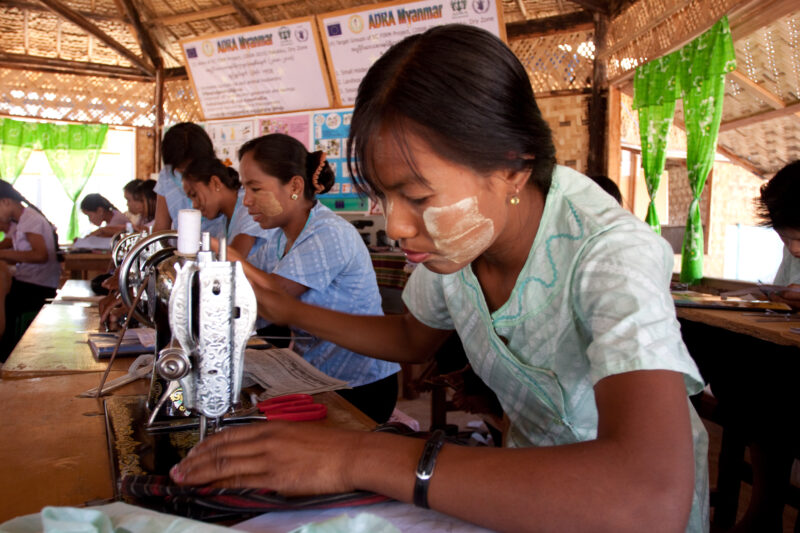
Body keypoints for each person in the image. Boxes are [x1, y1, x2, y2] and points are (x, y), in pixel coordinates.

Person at [171, 25, 707, 532]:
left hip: (606, 509)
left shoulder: (610, 255)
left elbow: (648, 498)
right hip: (522, 487)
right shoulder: (461, 246)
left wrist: (358, 455)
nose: (397, 226)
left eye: (419, 198)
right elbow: (410, 337)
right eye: (384, 198)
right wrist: (288, 311)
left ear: (512, 168)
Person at [223, 133, 400, 423]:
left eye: (255, 189)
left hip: (359, 385)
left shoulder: (327, 232)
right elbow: (251, 299)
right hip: (317, 375)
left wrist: (235, 260)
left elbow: (274, 300)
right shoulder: (274, 237)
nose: (247, 202)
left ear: (294, 186)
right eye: (244, 190)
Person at [0, 180, 62, 362]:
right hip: (29, 283)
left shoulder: (30, 220)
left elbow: (40, 255)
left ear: (5, 201)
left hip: (37, 287)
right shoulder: (21, 220)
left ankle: (7, 358)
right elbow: (8, 244)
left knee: (4, 301)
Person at [182, 157, 268, 259]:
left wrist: (211, 243)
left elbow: (234, 259)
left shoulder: (249, 207)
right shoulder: (222, 220)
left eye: (194, 195)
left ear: (215, 183)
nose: (194, 205)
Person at [152, 123, 224, 238]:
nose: (187, 174)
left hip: (217, 249)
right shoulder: (167, 176)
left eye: (192, 167)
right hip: (181, 249)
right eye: (181, 169)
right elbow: (161, 227)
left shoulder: (219, 177)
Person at [758, 159, 800, 308]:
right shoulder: (792, 251)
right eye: (785, 238)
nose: (794, 249)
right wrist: (777, 298)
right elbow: (780, 294)